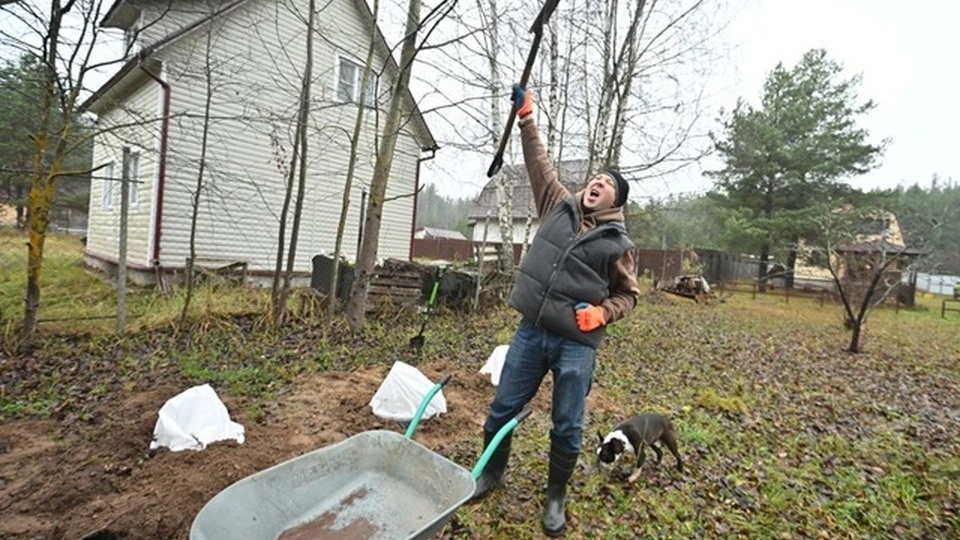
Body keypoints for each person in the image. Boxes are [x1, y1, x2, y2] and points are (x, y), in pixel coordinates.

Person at [471, 83, 640, 537]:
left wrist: (604, 314)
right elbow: (538, 162)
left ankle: (556, 496)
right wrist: (526, 117)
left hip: (576, 346)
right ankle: (491, 473)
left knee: (567, 423)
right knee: (503, 406)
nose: (596, 185)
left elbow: (629, 295)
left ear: (615, 202)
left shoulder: (618, 244)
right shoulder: (556, 205)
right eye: (594, 179)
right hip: (531, 332)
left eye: (606, 185)